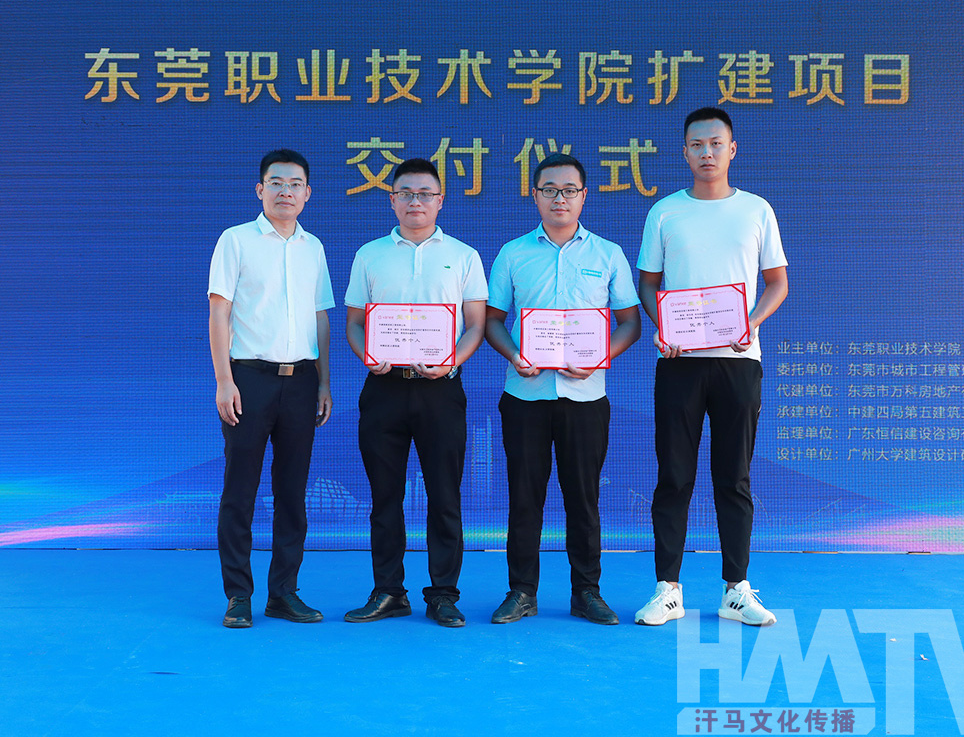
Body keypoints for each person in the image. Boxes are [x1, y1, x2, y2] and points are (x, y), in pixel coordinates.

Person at [634, 107, 789, 627]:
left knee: (734, 478)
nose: (707, 153)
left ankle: (736, 590)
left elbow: (777, 283)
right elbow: (648, 285)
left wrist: (751, 322)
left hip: (739, 361)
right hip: (679, 363)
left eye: (716, 143)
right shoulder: (665, 213)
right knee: (674, 477)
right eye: (697, 145)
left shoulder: (756, 210)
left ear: (732, 149)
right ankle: (668, 589)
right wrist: (664, 326)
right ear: (684, 152)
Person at [485, 153, 641, 626]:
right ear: (534, 195)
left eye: (569, 190)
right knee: (524, 498)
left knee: (584, 499)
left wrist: (600, 357)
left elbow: (630, 322)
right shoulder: (513, 253)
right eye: (549, 189)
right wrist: (515, 354)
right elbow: (492, 321)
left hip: (586, 397)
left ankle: (587, 592)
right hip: (525, 394)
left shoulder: (607, 254)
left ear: (584, 196)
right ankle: (521, 591)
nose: (559, 198)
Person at [343, 158, 488, 628]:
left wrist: (452, 361)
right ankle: (388, 591)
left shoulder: (463, 255)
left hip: (441, 390)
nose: (415, 202)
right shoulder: (369, 255)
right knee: (385, 497)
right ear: (392, 200)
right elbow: (354, 323)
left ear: (440, 200)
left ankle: (443, 594)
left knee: (444, 496)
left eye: (425, 194)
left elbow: (476, 324)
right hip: (384, 388)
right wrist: (367, 354)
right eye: (405, 193)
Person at [208, 149, 334, 629]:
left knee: (293, 493)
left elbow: (320, 317)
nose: (286, 191)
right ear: (260, 189)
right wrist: (224, 380)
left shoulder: (313, 247)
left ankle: (284, 592)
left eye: (295, 184)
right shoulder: (236, 240)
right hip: (248, 380)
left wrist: (324, 381)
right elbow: (219, 311)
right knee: (240, 491)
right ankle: (238, 595)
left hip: (301, 382)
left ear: (308, 193)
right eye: (276, 182)